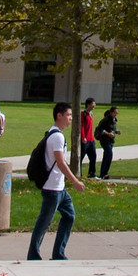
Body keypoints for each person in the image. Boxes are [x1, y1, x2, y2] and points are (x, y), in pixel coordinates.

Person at [27, 100, 86, 261]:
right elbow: (60, 162)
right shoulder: (57, 137)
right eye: (68, 115)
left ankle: (58, 253)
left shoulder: (54, 134)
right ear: (59, 115)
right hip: (52, 188)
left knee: (69, 216)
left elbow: (61, 162)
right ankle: (33, 255)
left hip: (59, 188)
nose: (70, 118)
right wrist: (75, 181)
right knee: (44, 222)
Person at [97, 105, 120, 179]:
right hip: (105, 140)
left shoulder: (114, 120)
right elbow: (100, 129)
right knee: (109, 154)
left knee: (107, 156)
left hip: (111, 141)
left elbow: (112, 128)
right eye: (115, 113)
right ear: (111, 112)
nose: (116, 114)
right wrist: (108, 134)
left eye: (117, 113)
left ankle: (103, 173)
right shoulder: (106, 120)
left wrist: (116, 131)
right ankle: (103, 173)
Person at [79, 98, 99, 178]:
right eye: (93, 104)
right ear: (88, 104)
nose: (94, 105)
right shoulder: (83, 114)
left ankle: (91, 173)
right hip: (85, 140)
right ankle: (78, 173)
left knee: (93, 156)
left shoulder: (91, 114)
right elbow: (82, 126)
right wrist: (83, 137)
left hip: (91, 139)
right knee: (81, 157)